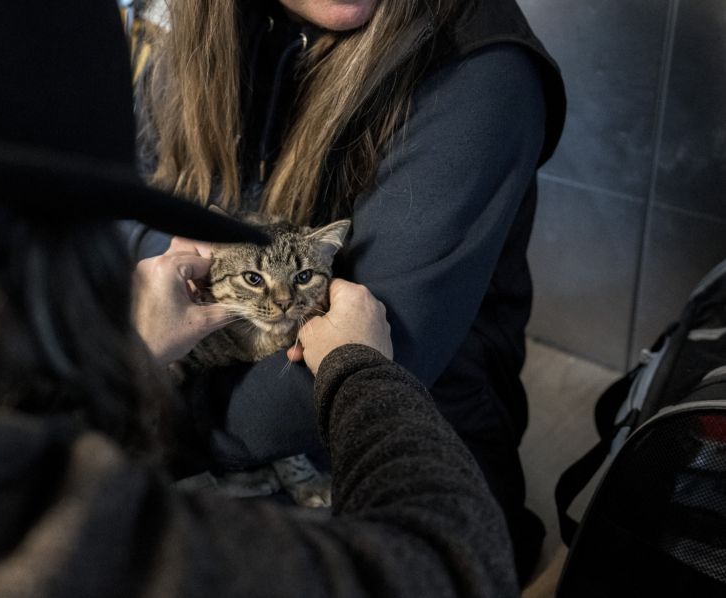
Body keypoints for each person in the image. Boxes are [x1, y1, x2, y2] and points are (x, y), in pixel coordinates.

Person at [0, 0, 521, 595]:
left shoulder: (480, 74)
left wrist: (130, 382)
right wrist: (362, 372)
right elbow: (450, 567)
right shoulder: (9, 529)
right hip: (320, 447)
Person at [126, 0, 566, 582]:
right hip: (200, 407)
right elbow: (123, 208)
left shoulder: (480, 75)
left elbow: (359, 367)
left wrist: (130, 401)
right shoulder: (194, 21)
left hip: (391, 452)